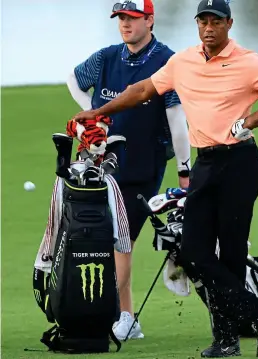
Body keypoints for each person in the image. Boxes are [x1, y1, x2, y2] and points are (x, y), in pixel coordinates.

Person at [73, 0, 258, 356]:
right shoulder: (182, 62)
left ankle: (226, 341)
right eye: (203, 21)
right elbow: (143, 90)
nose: (209, 28)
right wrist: (98, 111)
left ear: (229, 24)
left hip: (239, 163)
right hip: (206, 163)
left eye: (216, 21)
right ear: (197, 25)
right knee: (193, 251)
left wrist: (249, 122)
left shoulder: (249, 61)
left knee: (231, 253)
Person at [66, 0, 192, 341]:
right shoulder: (107, 57)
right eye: (121, 18)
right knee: (107, 238)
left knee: (122, 240)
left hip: (143, 163)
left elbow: (176, 118)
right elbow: (73, 78)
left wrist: (184, 168)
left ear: (150, 21)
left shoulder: (167, 61)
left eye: (132, 18)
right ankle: (126, 317)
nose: (125, 24)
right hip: (103, 164)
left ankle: (118, 314)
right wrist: (93, 113)